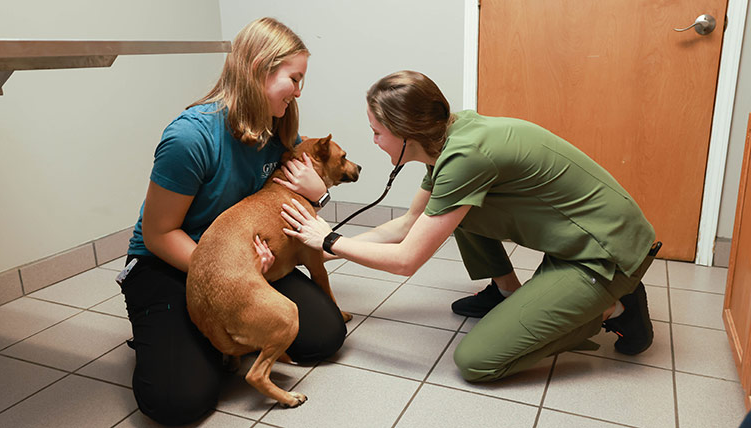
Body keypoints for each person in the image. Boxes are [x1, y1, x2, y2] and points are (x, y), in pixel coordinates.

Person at [281, 70, 659, 383]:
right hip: (578, 243)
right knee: (446, 216)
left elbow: (406, 259)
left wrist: (329, 239)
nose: (373, 140)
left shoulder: (465, 158)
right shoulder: (446, 138)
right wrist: (312, 251)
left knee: (477, 361)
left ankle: (615, 308)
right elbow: (410, 223)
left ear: (405, 133)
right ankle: (507, 290)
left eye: (377, 132)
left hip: (605, 252)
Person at [118, 18, 346, 426]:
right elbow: (158, 234)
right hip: (168, 263)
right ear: (259, 68)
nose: (298, 92)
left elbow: (299, 198)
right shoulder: (190, 138)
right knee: (179, 402)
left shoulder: (279, 131)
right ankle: (184, 336)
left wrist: (320, 193)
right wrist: (236, 278)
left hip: (239, 258)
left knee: (324, 337)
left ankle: (220, 338)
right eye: (293, 79)